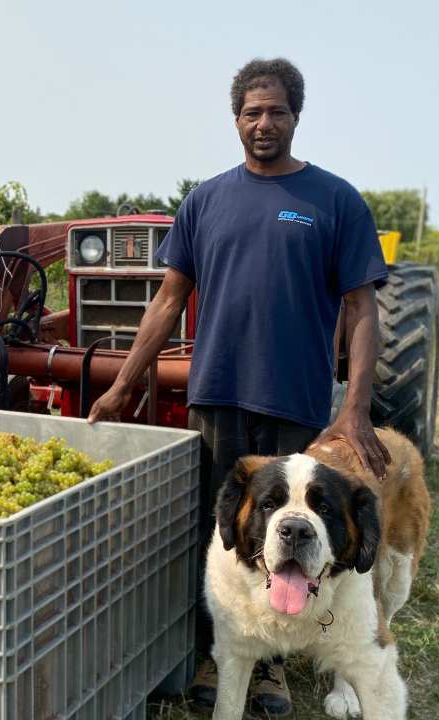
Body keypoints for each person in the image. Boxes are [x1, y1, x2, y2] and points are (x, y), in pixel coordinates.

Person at [87, 58, 391, 716]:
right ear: (235, 120)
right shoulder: (205, 200)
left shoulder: (333, 201)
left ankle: (275, 666)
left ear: (295, 117)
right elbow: (168, 303)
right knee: (227, 533)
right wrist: (121, 386)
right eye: (252, 112)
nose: (263, 122)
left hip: (296, 401)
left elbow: (364, 310)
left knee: (295, 530)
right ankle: (221, 650)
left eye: (276, 111)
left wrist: (357, 411)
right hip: (217, 395)